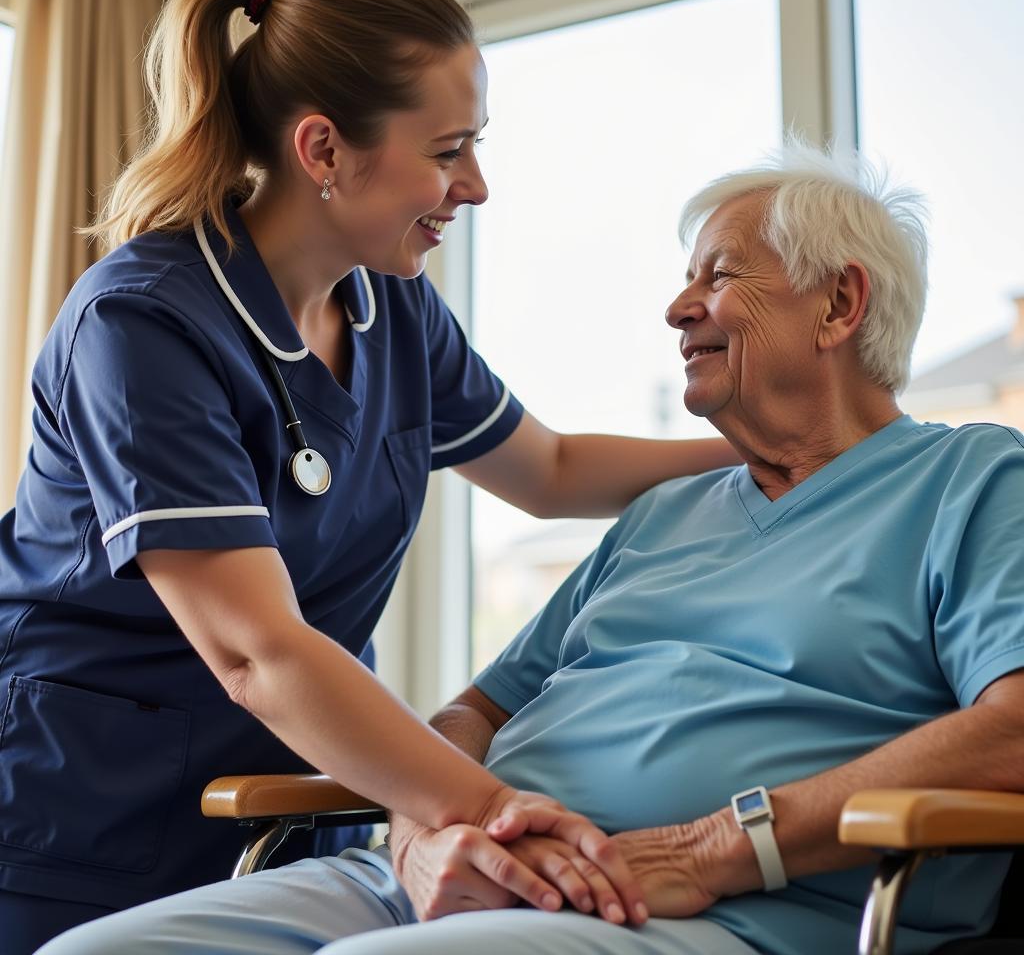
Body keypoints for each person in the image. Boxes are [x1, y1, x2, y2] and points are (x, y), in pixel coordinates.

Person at [41, 142, 1024, 955]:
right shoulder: (666, 512)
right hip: (454, 876)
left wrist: (721, 847)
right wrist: (425, 829)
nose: (677, 309)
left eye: (717, 278)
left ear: (838, 306)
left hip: (705, 908)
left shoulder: (972, 482)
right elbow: (472, 711)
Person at [0, 0, 742, 954]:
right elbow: (255, 649)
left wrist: (776, 449)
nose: (474, 186)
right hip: (76, 819)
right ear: (323, 149)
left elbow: (551, 469)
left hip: (288, 810)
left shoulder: (390, 306)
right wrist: (500, 812)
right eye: (449, 150)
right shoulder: (141, 326)